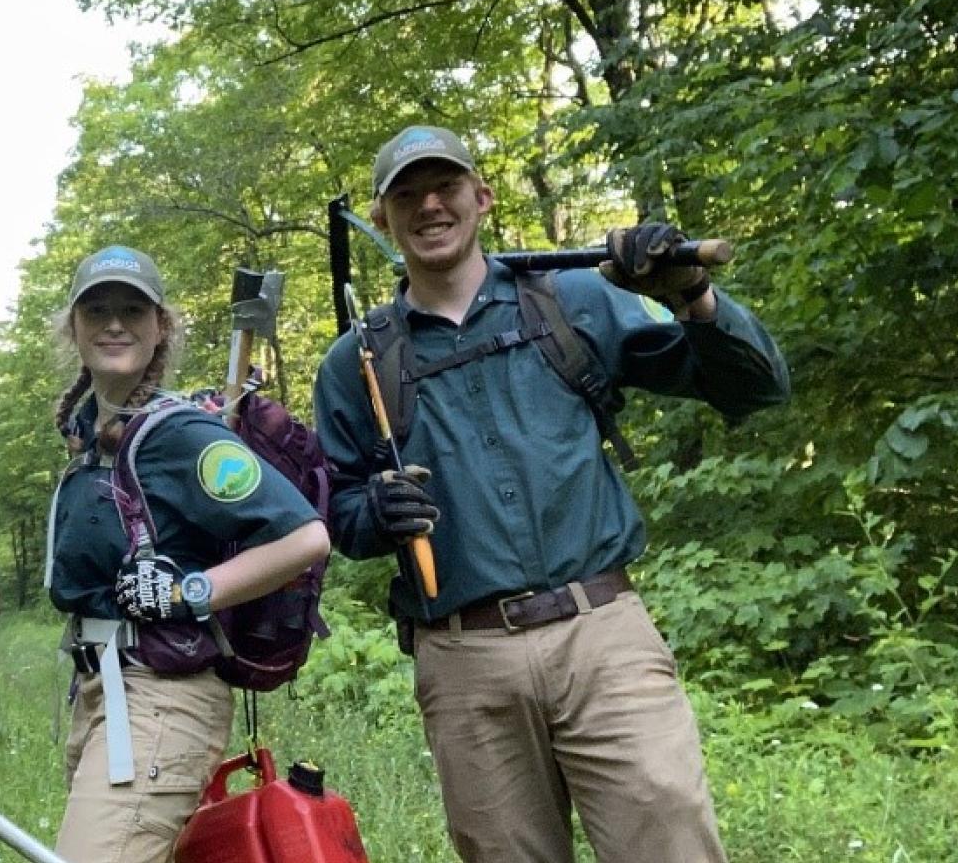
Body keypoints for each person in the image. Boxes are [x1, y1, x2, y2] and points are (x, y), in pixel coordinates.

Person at [314, 125, 791, 862]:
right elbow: (337, 512)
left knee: (668, 837)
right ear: (382, 219)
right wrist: (372, 513)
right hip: (462, 659)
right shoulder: (359, 361)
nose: (429, 205)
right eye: (405, 194)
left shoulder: (573, 303)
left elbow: (756, 388)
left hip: (602, 635)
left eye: (445, 186)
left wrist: (692, 294)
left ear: (482, 196)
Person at [44, 245, 331, 863]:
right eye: (97, 310)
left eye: (132, 309)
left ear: (160, 327)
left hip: (162, 698)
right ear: (74, 326)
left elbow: (304, 537)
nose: (114, 323)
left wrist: (188, 591)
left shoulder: (176, 433)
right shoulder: (93, 434)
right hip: (102, 694)